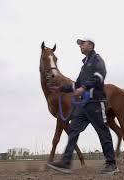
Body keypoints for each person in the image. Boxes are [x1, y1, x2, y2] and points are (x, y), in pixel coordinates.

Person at [47, 38, 118, 175]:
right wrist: (62, 89)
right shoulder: (84, 65)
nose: (80, 46)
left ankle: (111, 164)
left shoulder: (97, 60)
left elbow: (99, 77)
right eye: (79, 44)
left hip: (96, 102)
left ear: (90, 45)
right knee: (73, 130)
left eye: (82, 44)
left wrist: (84, 87)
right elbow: (77, 85)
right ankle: (66, 163)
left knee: (102, 131)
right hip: (84, 105)